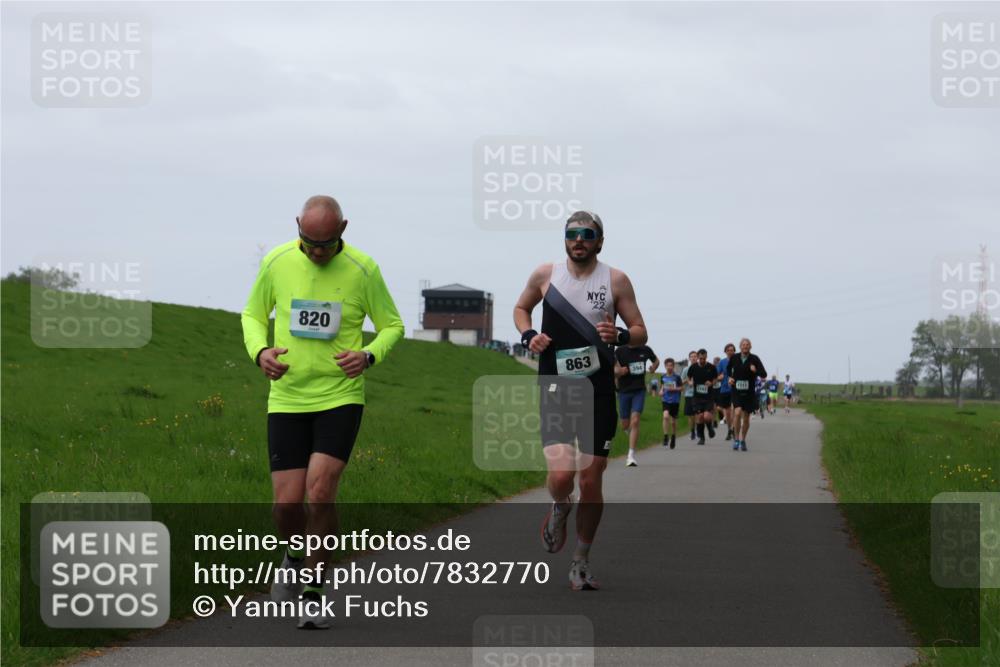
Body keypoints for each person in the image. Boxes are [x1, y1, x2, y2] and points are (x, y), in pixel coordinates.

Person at [241, 195, 404, 629]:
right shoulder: (276, 261)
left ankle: (314, 590)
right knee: (286, 506)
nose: (316, 251)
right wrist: (259, 352)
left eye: (326, 244)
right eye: (308, 241)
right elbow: (253, 315)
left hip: (340, 396)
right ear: (297, 226)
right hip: (288, 397)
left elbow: (393, 325)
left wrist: (368, 356)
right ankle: (294, 553)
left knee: (320, 491)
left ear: (343, 230)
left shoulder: (363, 269)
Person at [514, 210, 648, 591]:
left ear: (599, 241)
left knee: (591, 481)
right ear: (565, 239)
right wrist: (528, 337)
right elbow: (521, 309)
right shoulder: (545, 275)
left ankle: (580, 560)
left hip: (599, 391)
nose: (579, 240)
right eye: (572, 234)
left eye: (587, 234)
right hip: (556, 386)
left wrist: (620, 335)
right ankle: (559, 506)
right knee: (561, 476)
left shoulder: (616, 280)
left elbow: (640, 330)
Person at [615, 342, 659, 466]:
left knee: (635, 421)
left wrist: (653, 367)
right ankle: (631, 436)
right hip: (623, 391)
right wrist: (619, 371)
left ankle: (631, 455)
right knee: (625, 425)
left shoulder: (645, 349)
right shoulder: (620, 351)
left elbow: (656, 361)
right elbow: (613, 368)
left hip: (639, 390)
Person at [726, 338, 767, 452]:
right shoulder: (734, 357)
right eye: (743, 345)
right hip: (737, 390)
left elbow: (764, 374)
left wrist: (755, 371)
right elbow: (728, 369)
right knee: (737, 412)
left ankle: (743, 440)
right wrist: (730, 377)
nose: (745, 346)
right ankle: (736, 439)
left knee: (746, 418)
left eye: (747, 345)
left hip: (749, 392)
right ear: (740, 346)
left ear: (750, 347)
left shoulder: (755, 359)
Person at [686, 349, 718, 445]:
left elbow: (716, 379)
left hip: (708, 396)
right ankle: (702, 438)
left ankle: (710, 428)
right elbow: (688, 377)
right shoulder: (693, 367)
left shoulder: (711, 367)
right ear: (698, 357)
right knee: (700, 417)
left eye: (704, 358)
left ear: (706, 357)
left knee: (707, 417)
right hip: (697, 396)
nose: (702, 360)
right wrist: (690, 382)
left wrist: (711, 383)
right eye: (700, 358)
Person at [659, 358, 682, 448]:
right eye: (668, 365)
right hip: (666, 400)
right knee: (665, 416)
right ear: (665, 366)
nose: (669, 367)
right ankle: (665, 436)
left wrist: (675, 389)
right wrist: (661, 391)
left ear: (673, 366)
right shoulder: (663, 376)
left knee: (673, 422)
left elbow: (681, 388)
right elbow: (662, 387)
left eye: (671, 365)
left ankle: (673, 436)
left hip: (675, 401)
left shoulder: (677, 377)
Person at [716, 344, 736, 440]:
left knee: (733, 410)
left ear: (734, 351)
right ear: (725, 351)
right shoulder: (722, 362)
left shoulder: (738, 361)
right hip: (724, 389)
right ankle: (729, 430)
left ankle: (733, 429)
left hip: (736, 389)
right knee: (727, 413)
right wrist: (719, 377)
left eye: (732, 350)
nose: (730, 352)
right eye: (728, 350)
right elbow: (716, 375)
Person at [680, 350, 698, 440]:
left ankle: (699, 429)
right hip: (688, 394)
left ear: (697, 358)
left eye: (695, 356)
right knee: (690, 415)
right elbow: (680, 382)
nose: (694, 358)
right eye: (692, 356)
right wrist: (687, 381)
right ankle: (692, 431)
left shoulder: (700, 368)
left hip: (699, 395)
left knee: (698, 414)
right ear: (689, 358)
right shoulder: (685, 369)